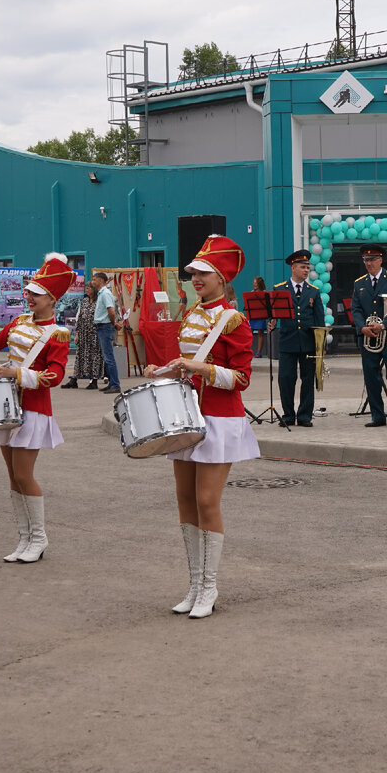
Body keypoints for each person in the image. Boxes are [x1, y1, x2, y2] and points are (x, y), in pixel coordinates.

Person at [147, 235, 259, 619]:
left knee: (208, 501)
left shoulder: (233, 320)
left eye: (204, 274)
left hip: (220, 418)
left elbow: (242, 379)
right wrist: (162, 370)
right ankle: (194, 584)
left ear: (222, 278)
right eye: (194, 273)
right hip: (187, 416)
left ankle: (210, 587)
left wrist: (203, 368)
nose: (195, 279)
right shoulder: (193, 315)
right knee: (184, 499)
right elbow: (186, 366)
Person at [0, 253, 72, 563]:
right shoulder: (19, 322)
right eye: (28, 291)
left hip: (34, 410)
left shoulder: (58, 334)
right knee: (13, 477)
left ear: (52, 299)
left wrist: (17, 374)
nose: (29, 297)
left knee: (24, 475)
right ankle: (24, 538)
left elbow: (56, 375)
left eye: (37, 294)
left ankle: (39, 539)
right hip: (6, 409)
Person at [351, 245, 387, 428]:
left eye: (373, 259)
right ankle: (378, 416)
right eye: (366, 260)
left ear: (381, 260)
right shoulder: (359, 283)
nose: (369, 263)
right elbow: (356, 309)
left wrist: (383, 325)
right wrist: (361, 327)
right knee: (371, 375)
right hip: (367, 337)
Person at [273, 250, 325, 427]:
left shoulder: (314, 292)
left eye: (307, 267)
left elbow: (319, 320)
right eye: (302, 267)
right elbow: (273, 313)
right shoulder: (279, 289)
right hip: (288, 342)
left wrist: (321, 344)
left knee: (308, 380)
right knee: (286, 379)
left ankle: (304, 415)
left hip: (308, 343)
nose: (306, 270)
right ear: (293, 268)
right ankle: (288, 414)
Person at [61, 281, 105, 390]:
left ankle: (94, 381)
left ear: (94, 289)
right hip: (83, 332)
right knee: (80, 356)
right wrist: (77, 333)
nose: (87, 290)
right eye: (86, 288)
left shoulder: (99, 301)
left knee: (94, 356)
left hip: (94, 333)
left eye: (89, 288)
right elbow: (79, 317)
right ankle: (74, 380)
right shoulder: (84, 301)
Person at [92, 271, 121, 395]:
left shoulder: (105, 294)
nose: (93, 281)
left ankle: (115, 384)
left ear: (101, 280)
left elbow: (111, 311)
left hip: (105, 326)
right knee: (107, 357)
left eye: (94, 279)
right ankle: (111, 383)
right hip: (102, 326)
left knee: (109, 358)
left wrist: (113, 323)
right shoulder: (102, 294)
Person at [249, 276, 268, 357]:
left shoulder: (265, 292)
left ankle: (259, 352)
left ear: (260, 284)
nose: (254, 285)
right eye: (254, 283)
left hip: (261, 315)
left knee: (260, 333)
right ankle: (248, 350)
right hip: (253, 315)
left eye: (256, 283)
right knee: (250, 332)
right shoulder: (252, 292)